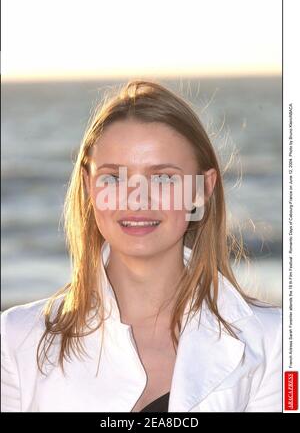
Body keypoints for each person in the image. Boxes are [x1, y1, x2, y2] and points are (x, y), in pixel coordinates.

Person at [1, 80, 282, 412]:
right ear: (90, 188)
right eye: (113, 178)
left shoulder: (272, 341)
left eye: (162, 178)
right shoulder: (15, 340)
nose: (136, 199)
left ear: (201, 190)